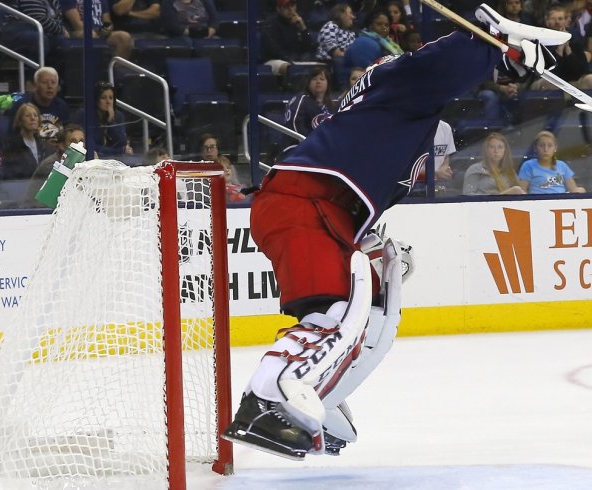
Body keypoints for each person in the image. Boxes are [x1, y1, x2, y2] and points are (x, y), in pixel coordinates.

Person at [221, 5, 566, 459]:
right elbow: (428, 67)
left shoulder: (386, 118)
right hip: (305, 205)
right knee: (334, 314)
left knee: (358, 312)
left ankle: (316, 392)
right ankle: (267, 400)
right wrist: (494, 47)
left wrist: (504, 63)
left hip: (314, 210)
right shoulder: (392, 85)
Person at [529, 5, 592, 91]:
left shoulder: (574, 40)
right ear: (547, 21)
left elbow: (581, 72)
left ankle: (578, 104)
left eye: (560, 19)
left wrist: (568, 51)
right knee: (552, 82)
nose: (557, 22)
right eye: (553, 19)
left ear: (566, 21)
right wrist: (559, 51)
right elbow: (547, 73)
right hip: (545, 81)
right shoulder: (538, 41)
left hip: (570, 82)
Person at [7, 67, 71, 144]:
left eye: (53, 82)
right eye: (45, 82)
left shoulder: (62, 106)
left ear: (57, 87)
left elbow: (67, 133)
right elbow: (11, 135)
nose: (50, 86)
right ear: (35, 86)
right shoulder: (22, 105)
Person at [72, 81, 133, 157]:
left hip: (114, 159)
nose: (108, 102)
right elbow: (89, 146)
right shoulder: (83, 115)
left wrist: (111, 122)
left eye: (111, 98)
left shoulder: (118, 116)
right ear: (96, 99)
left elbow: (122, 143)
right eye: (103, 98)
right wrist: (118, 151)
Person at [261, 0, 319, 76]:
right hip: (275, 60)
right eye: (286, 7)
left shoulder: (298, 22)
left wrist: (304, 29)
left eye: (292, 6)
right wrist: (289, 59)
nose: (290, 9)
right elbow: (272, 49)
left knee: (319, 67)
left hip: (296, 60)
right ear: (278, 9)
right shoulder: (271, 23)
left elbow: (310, 47)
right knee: (289, 67)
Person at [518, 130, 586, 194]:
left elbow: (573, 190)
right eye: (541, 145)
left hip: (560, 204)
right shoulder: (528, 166)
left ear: (555, 148)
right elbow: (522, 192)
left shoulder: (562, 166)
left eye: (550, 146)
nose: (545, 149)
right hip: (538, 204)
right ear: (535, 148)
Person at [61, 0, 134, 59]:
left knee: (124, 37)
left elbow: (107, 21)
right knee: (89, 34)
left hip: (100, 32)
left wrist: (106, 29)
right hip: (76, 32)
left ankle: (116, 72)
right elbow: (77, 24)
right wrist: (96, 32)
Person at [344, 10, 404, 75]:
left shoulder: (390, 43)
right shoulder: (365, 42)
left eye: (386, 25)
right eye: (379, 24)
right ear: (370, 26)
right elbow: (366, 72)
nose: (384, 28)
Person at [6, 102, 55, 178]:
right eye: (28, 116)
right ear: (20, 121)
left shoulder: (44, 145)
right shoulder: (12, 146)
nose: (32, 118)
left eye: (35, 115)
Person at [285, 66, 337, 137]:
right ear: (308, 83)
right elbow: (295, 126)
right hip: (300, 144)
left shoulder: (334, 103)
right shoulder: (301, 100)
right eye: (314, 79)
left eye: (322, 79)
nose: (318, 81)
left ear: (328, 84)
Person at [200, 132, 245, 201]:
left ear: (218, 149)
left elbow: (238, 185)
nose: (209, 150)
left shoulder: (230, 167)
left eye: (212, 147)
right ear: (201, 151)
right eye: (205, 147)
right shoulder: (195, 169)